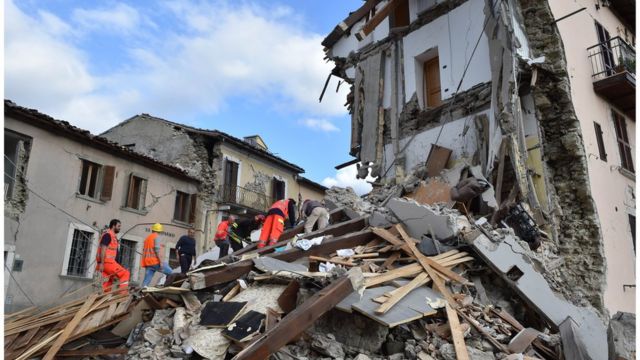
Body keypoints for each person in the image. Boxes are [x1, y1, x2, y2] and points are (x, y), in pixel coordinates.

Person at [95, 219, 130, 293]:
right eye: (118, 226)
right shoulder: (108, 235)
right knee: (125, 273)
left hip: (107, 263)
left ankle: (104, 297)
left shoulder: (112, 236)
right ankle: (122, 294)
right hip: (107, 263)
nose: (120, 228)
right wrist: (102, 263)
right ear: (113, 226)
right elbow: (103, 249)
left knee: (108, 282)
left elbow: (113, 252)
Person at [140, 223, 173, 287]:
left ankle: (140, 293)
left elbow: (145, 250)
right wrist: (161, 262)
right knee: (172, 273)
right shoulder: (156, 237)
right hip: (155, 262)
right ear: (159, 231)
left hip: (148, 263)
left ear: (152, 230)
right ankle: (167, 286)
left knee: (146, 282)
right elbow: (157, 250)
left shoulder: (147, 238)